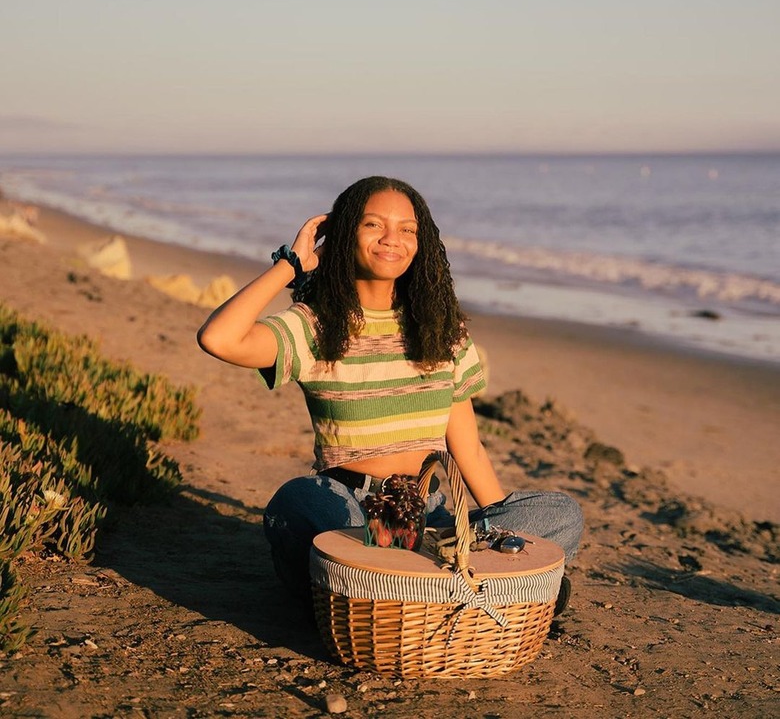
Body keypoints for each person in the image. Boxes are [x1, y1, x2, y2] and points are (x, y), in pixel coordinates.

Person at [197, 175, 583, 612]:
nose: (392, 239)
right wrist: (293, 263)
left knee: (559, 513)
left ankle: (396, 589)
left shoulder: (441, 331)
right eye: (373, 225)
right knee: (298, 501)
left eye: (407, 229)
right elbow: (219, 339)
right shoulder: (314, 327)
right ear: (344, 235)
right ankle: (455, 593)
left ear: (422, 244)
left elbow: (468, 449)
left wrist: (502, 534)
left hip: (432, 517)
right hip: (351, 513)